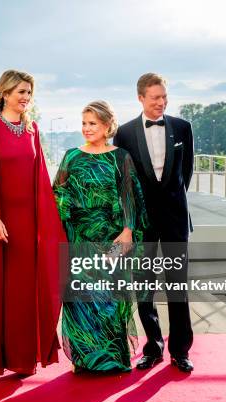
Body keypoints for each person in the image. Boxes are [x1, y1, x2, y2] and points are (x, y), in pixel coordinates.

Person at [0, 70, 66, 375]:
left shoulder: (32, 129)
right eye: (20, 92)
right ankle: (3, 356)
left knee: (28, 292)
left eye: (29, 92)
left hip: (30, 225)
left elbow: (40, 178)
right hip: (3, 222)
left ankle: (25, 358)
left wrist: (48, 222)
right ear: (5, 93)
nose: (25, 98)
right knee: (6, 292)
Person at [53, 101, 147, 373]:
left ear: (107, 126)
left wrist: (128, 230)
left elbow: (130, 195)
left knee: (111, 297)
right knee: (81, 297)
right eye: (84, 123)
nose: (86, 128)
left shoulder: (121, 157)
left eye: (92, 123)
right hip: (78, 239)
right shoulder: (71, 156)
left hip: (113, 238)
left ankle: (113, 358)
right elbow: (57, 192)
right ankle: (85, 360)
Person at [113, 73, 195, 372]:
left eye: (164, 97)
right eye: (154, 98)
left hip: (175, 218)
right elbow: (123, 182)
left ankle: (181, 350)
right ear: (140, 98)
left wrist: (171, 202)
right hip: (142, 222)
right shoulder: (123, 133)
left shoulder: (183, 128)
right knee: (144, 288)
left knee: (177, 286)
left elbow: (186, 171)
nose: (161, 102)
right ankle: (153, 346)